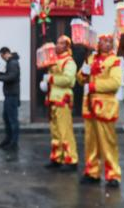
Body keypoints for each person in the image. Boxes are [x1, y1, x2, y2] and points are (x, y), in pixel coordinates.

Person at [77, 33, 122, 188]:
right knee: (90, 142)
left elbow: (115, 83)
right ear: (98, 43)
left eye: (110, 41)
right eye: (104, 41)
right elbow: (80, 79)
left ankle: (113, 175)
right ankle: (92, 172)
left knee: (108, 142)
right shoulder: (90, 59)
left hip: (105, 106)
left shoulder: (114, 61)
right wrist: (83, 72)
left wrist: (94, 86)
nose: (107, 44)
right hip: (89, 105)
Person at [40, 35, 78, 170]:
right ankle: (57, 157)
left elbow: (68, 80)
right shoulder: (54, 60)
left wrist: (51, 78)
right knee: (55, 132)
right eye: (57, 42)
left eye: (61, 43)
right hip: (52, 99)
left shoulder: (69, 62)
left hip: (63, 99)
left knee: (65, 131)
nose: (57, 45)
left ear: (67, 46)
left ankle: (71, 159)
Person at [0, 46, 21, 152]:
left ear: (6, 53)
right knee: (6, 118)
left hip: (12, 96)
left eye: (2, 56)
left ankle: (13, 143)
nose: (2, 59)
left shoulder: (13, 62)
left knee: (12, 120)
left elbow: (12, 77)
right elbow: (8, 75)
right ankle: (8, 140)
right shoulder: (10, 62)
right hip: (9, 95)